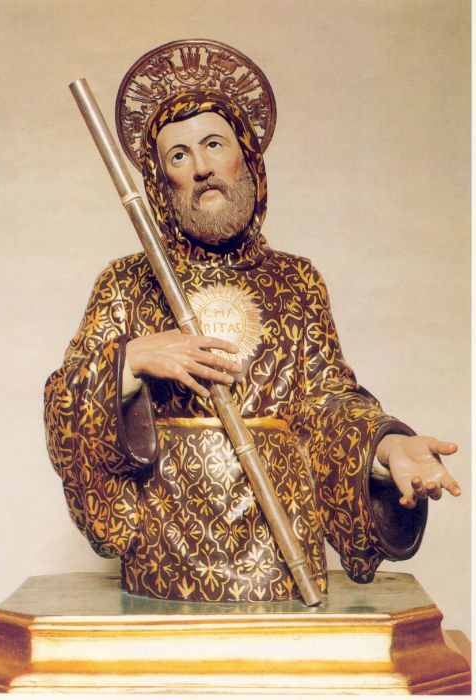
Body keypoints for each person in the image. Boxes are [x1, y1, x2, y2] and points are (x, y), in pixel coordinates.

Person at [44, 47, 460, 604]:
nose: (201, 167)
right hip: (164, 552)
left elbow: (327, 405)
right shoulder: (125, 283)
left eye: (214, 145)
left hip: (280, 550)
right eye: (179, 156)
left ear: (248, 158)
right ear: (161, 181)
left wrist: (386, 449)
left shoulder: (297, 281)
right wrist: (129, 362)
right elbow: (65, 405)